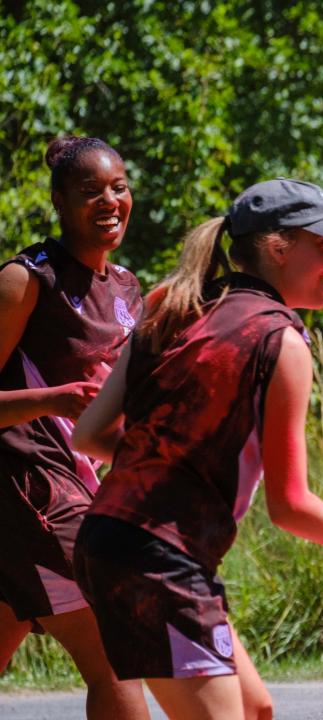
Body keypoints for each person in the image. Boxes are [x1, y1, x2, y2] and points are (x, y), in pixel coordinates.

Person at [71, 178, 323, 720]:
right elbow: (290, 507)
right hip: (159, 559)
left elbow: (91, 435)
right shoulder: (280, 341)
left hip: (111, 540)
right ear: (279, 247)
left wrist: (169, 460)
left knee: (256, 710)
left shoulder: (172, 304)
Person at [0, 137, 148, 717]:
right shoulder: (27, 280)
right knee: (115, 651)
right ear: (59, 201)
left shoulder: (126, 287)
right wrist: (51, 399)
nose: (109, 201)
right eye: (90, 192)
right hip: (31, 489)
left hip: (87, 489)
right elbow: (66, 400)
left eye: (119, 187)